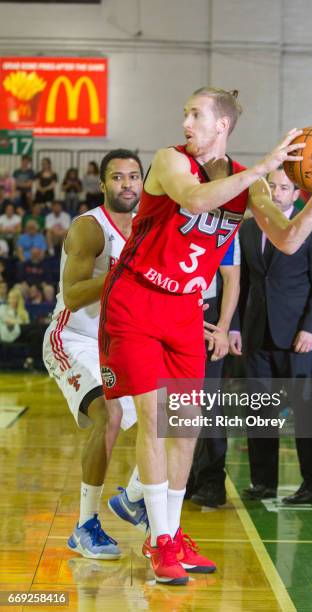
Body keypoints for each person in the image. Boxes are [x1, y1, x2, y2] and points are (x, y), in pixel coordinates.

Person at [99, 87, 312, 585]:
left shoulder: (247, 184)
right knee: (153, 418)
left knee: (185, 425)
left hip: (185, 312)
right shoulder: (171, 161)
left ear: (222, 126)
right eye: (185, 111)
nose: (186, 121)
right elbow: (195, 198)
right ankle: (160, 540)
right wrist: (261, 168)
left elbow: (288, 237)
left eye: (196, 114)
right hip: (137, 302)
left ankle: (169, 531)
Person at [43, 149, 148, 560]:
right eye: (118, 177)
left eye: (134, 177)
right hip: (72, 338)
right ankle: (85, 524)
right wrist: (125, 274)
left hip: (120, 340)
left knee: (176, 408)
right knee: (110, 414)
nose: (127, 184)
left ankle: (134, 497)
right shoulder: (90, 228)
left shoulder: (146, 228)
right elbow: (73, 294)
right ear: (102, 185)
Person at [230, 166, 312, 503]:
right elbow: (242, 283)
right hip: (256, 335)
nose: (276, 192)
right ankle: (263, 483)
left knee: (305, 413)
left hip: (297, 338)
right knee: (258, 411)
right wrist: (234, 326)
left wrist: (311, 329)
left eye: (284, 187)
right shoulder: (247, 229)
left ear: (296, 194)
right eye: (270, 185)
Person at [187, 235, 241, 508]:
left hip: (209, 318)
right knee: (172, 402)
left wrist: (224, 327)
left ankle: (211, 480)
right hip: (171, 315)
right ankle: (183, 478)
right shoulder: (167, 213)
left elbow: (232, 278)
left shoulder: (226, 222)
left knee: (207, 402)